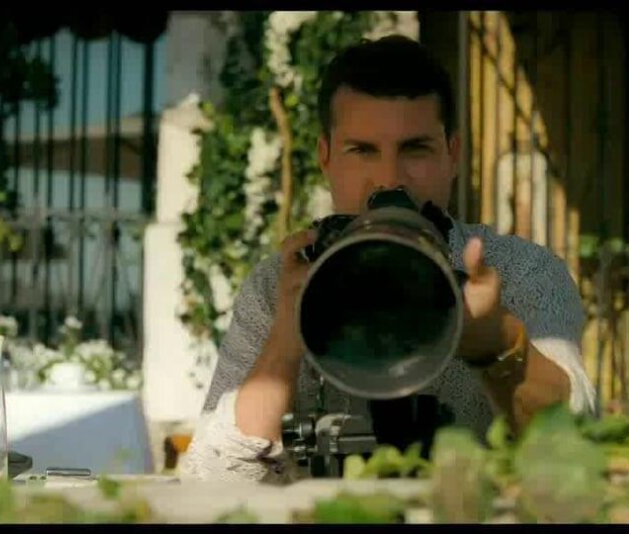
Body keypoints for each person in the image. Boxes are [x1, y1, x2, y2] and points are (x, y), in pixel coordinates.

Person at [180, 35, 594, 483]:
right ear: (326, 158)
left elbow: (575, 442)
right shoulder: (279, 285)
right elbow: (210, 480)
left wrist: (496, 342)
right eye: (362, 151)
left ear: (453, 155)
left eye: (415, 149)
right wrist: (286, 338)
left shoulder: (518, 271)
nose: (389, 179)